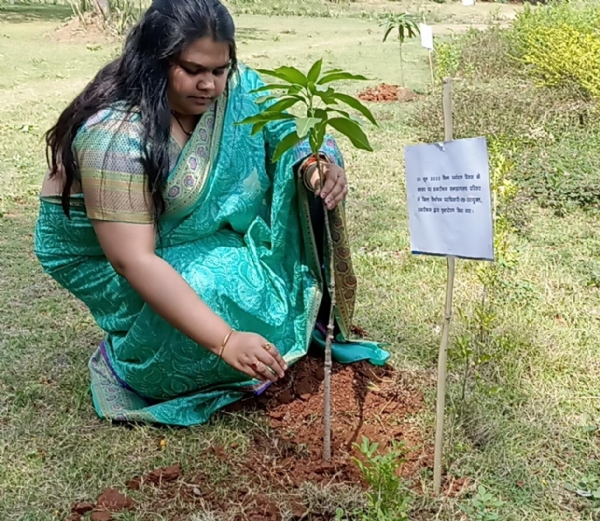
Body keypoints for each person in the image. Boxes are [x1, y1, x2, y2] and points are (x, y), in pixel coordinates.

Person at [34, 0, 389, 427]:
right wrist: (224, 341)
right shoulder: (115, 137)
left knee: (254, 284)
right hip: (108, 258)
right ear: (154, 62)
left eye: (219, 70)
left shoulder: (237, 90)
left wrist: (314, 167)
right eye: (193, 70)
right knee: (210, 291)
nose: (211, 85)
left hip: (191, 236)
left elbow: (283, 130)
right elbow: (133, 259)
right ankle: (139, 350)